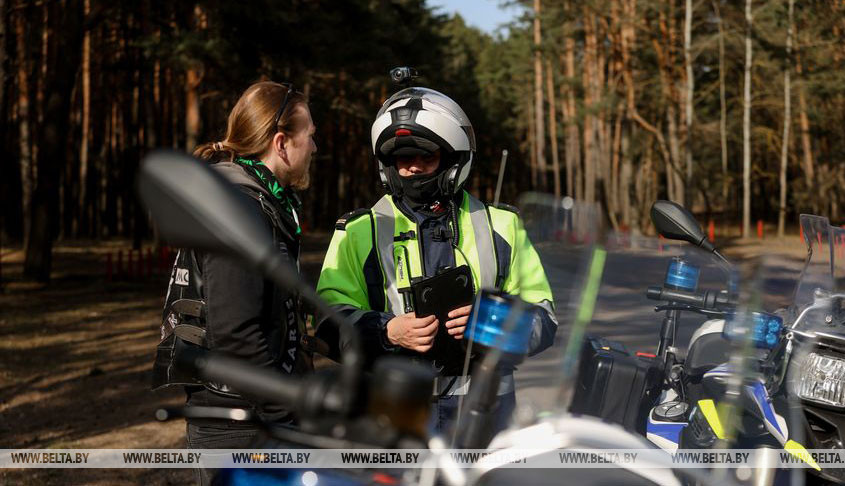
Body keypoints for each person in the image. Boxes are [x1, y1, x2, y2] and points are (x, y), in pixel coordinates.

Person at [316, 86, 557, 434]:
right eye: (402, 159)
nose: (413, 168)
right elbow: (327, 323)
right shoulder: (358, 230)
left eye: (425, 157)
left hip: (485, 414)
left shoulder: (503, 226)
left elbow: (544, 318)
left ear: (453, 160)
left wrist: (490, 322)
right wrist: (388, 331)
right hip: (392, 413)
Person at [151, 81, 317, 485]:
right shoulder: (239, 209)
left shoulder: (257, 201)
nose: (314, 147)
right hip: (242, 423)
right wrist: (286, 411)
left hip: (251, 414)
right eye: (310, 136)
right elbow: (236, 334)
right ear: (281, 143)